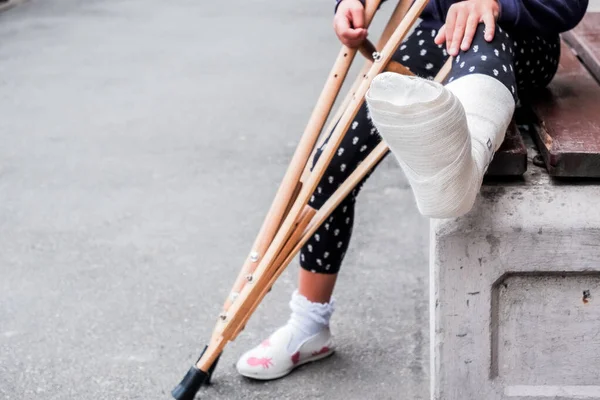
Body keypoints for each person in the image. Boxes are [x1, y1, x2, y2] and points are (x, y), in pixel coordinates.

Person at [235, 0, 588, 381]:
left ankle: (463, 159)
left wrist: (495, 4)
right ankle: (309, 325)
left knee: (479, 37)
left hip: (515, 40)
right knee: (329, 165)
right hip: (429, 37)